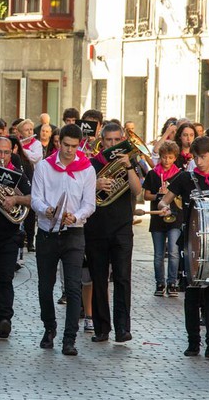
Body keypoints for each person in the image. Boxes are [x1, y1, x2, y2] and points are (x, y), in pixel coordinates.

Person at [158, 136, 209, 358]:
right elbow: (165, 199)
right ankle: (193, 343)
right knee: (192, 295)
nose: (199, 162)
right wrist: (164, 207)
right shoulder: (185, 178)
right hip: (191, 245)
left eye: (203, 157)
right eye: (195, 157)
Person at [31, 124, 96, 356]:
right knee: (44, 286)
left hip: (74, 233)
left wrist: (75, 216)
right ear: (59, 143)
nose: (69, 151)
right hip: (48, 233)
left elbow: (90, 204)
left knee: (73, 287)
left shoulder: (87, 169)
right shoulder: (43, 167)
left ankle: (70, 339)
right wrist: (47, 210)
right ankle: (49, 328)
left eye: (74, 147)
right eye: (66, 145)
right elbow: (35, 198)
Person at [85, 122, 142, 344]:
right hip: (96, 229)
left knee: (122, 278)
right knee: (99, 279)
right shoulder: (91, 164)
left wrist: (128, 166)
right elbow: (79, 192)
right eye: (109, 140)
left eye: (117, 140)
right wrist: (95, 183)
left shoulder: (130, 160)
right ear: (102, 141)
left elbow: (138, 191)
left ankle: (122, 328)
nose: (113, 144)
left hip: (122, 228)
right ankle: (101, 328)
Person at [0, 137, 32, 339]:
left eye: (6, 153)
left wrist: (15, 198)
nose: (2, 157)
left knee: (4, 277)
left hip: (9, 233)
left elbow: (32, 198)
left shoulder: (18, 174)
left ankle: (4, 319)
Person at [142, 140, 182, 296]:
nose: (167, 161)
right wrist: (159, 195)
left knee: (173, 251)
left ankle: (172, 282)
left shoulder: (179, 174)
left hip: (175, 217)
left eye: (170, 157)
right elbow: (146, 196)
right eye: (164, 157)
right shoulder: (153, 174)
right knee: (159, 254)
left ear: (175, 158)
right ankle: (160, 283)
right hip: (157, 218)